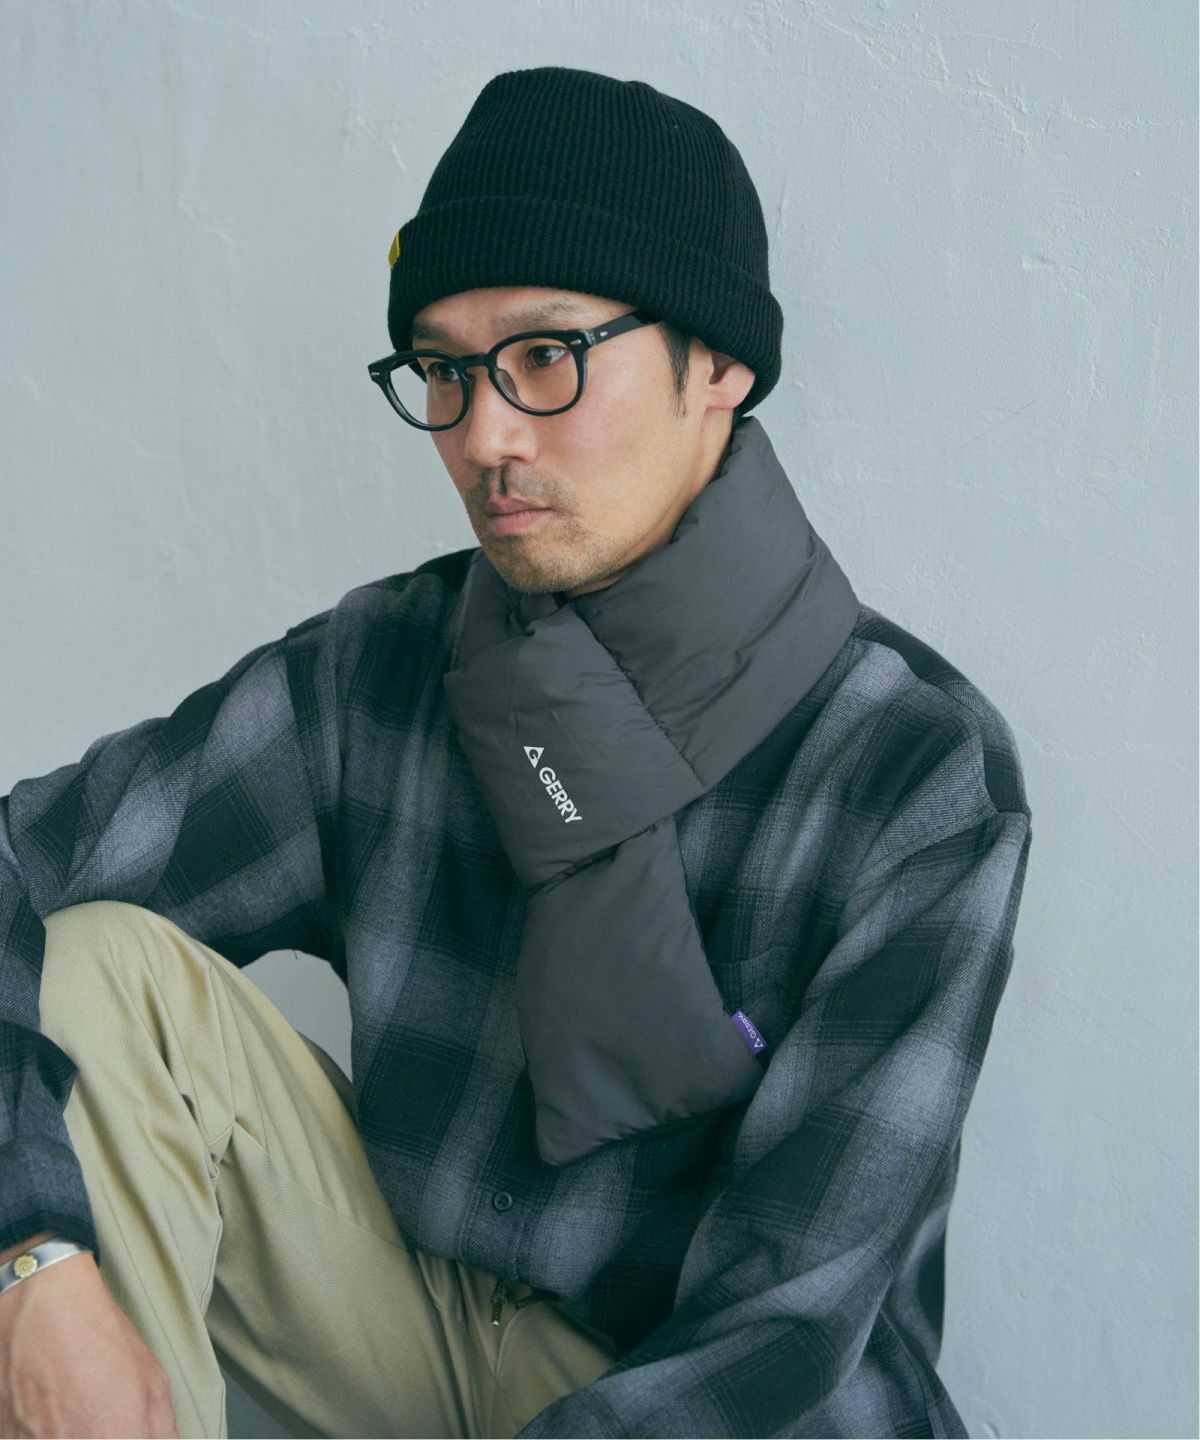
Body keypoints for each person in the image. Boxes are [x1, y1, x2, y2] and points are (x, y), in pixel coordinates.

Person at [0, 65, 1033, 1440]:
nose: (483, 436)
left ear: (719, 366)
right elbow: (20, 865)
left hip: (710, 1403)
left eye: (547, 356)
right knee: (93, 971)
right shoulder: (377, 667)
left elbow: (782, 1327)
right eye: (443, 370)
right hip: (417, 1327)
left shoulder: (909, 767)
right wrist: (30, 1257)